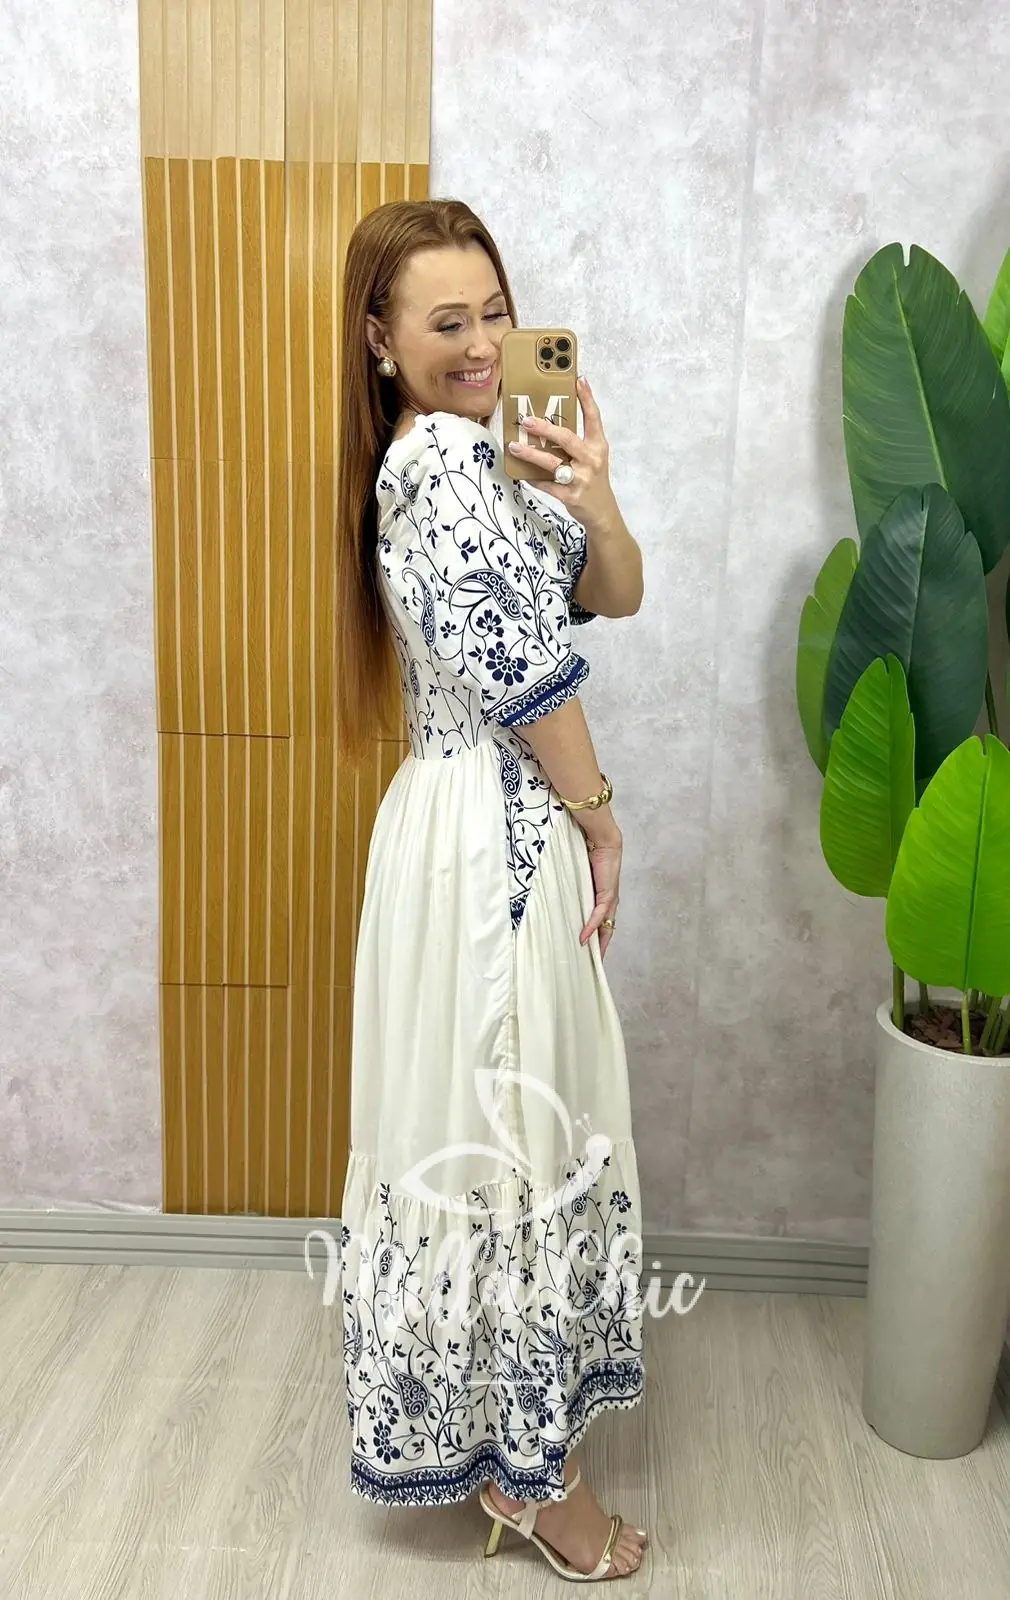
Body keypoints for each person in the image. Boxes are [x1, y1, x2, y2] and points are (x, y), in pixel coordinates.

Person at [334, 197, 648, 1582]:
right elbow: (524, 674)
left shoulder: (487, 460)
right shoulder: (441, 469)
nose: (478, 345)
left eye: (494, 314)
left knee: (499, 1130)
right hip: (487, 829)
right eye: (445, 322)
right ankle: (538, 1486)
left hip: (472, 822)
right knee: (516, 1138)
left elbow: (613, 596)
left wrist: (593, 489)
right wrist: (600, 816)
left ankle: (501, 1444)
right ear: (381, 340)